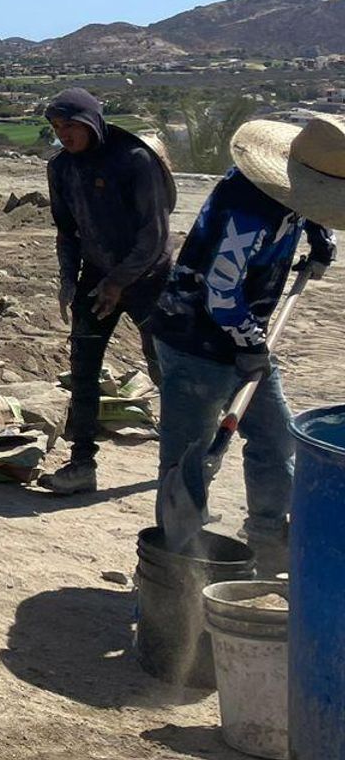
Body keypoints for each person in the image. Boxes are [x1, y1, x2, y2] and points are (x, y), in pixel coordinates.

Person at [149, 113, 341, 564]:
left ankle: (267, 539)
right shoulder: (249, 211)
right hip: (194, 340)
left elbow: (311, 207)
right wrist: (252, 346)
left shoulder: (292, 191)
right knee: (190, 459)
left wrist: (320, 239)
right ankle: (176, 563)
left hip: (241, 338)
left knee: (276, 440)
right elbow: (220, 294)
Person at [39, 87, 176, 496]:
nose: (64, 134)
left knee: (166, 368)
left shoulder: (133, 160)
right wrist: (68, 280)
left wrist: (120, 282)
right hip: (97, 278)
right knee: (83, 367)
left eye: (71, 125)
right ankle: (82, 463)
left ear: (91, 122)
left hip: (150, 277)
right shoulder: (60, 169)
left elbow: (155, 234)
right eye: (57, 127)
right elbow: (67, 230)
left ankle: (180, 462)